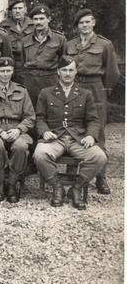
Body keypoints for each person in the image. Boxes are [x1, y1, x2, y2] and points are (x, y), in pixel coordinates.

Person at [33, 56, 107, 210]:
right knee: (40, 154)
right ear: (58, 72)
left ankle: (77, 188)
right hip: (55, 138)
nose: (67, 73)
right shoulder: (46, 93)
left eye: (71, 70)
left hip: (77, 139)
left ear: (76, 72)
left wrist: (91, 135)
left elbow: (93, 119)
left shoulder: (85, 93)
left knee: (99, 156)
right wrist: (45, 131)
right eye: (64, 70)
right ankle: (57, 187)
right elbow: (39, 118)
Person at [65, 8, 121, 195]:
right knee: (72, 127)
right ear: (77, 26)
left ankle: (101, 178)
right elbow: (65, 66)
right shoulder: (70, 44)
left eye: (88, 22)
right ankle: (71, 172)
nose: (85, 25)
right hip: (74, 88)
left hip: (95, 88)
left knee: (97, 132)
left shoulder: (105, 44)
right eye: (81, 23)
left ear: (94, 23)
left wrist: (103, 91)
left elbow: (112, 73)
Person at [0, 57, 35, 203]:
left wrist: (18, 130)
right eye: (2, 71)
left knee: (21, 146)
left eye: (9, 71)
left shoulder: (21, 91)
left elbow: (30, 117)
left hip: (16, 129)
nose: (6, 74)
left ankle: (11, 183)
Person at [20, 4, 66, 105]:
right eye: (35, 19)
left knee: (51, 110)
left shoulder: (59, 39)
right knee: (31, 111)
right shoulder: (25, 40)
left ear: (48, 19)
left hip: (50, 80)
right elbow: (23, 61)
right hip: (30, 81)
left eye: (42, 18)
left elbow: (64, 62)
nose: (38, 22)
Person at [0, 0, 33, 83]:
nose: (17, 11)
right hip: (10, 66)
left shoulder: (33, 25)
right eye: (15, 8)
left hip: (29, 66)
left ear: (25, 9)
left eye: (20, 8)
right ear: (11, 11)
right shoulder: (3, 26)